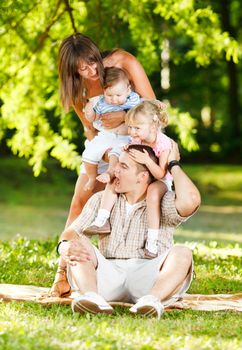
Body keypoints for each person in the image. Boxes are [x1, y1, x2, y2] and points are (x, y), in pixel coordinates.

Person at [51, 33, 155, 297]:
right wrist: (102, 159)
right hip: (105, 146)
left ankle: (142, 273)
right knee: (80, 200)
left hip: (136, 142)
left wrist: (123, 115)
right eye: (82, 69)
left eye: (92, 62)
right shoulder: (79, 91)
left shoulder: (122, 62)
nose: (92, 70)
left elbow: (153, 108)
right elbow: (90, 132)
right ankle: (62, 271)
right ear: (73, 72)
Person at [56, 141, 201, 319]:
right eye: (117, 165)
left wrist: (173, 165)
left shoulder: (163, 201)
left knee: (182, 252)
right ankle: (91, 297)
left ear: (142, 176)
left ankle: (151, 301)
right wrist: (63, 246)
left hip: (149, 277)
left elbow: (192, 199)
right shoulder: (101, 200)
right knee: (77, 242)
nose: (115, 170)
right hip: (108, 276)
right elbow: (71, 232)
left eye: (123, 166)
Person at [84, 101, 174, 260]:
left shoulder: (163, 143)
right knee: (113, 180)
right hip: (141, 178)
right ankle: (102, 219)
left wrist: (146, 161)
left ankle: (152, 241)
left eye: (136, 128)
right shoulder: (137, 139)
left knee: (153, 193)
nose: (131, 132)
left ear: (152, 126)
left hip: (160, 180)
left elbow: (161, 173)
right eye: (130, 127)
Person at [82, 66, 141, 191]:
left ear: (128, 90)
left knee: (116, 154)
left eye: (118, 95)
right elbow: (94, 118)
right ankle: (92, 178)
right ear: (104, 91)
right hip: (106, 135)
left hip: (125, 138)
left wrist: (155, 103)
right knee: (89, 152)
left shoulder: (133, 99)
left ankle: (109, 173)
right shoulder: (102, 103)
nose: (114, 99)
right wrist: (89, 112)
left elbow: (142, 111)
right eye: (109, 95)